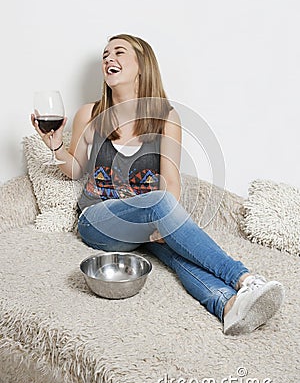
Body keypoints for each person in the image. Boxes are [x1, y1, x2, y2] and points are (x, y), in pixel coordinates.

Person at [32, 33, 284, 335]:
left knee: (180, 254)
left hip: (145, 221)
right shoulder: (91, 113)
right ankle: (243, 278)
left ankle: (227, 307)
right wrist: (56, 145)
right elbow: (73, 170)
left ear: (142, 65)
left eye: (119, 53)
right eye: (105, 55)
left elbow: (170, 177)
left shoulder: (166, 117)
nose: (109, 59)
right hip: (98, 221)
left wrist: (166, 225)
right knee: (159, 203)